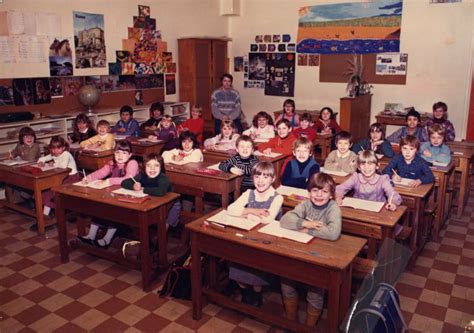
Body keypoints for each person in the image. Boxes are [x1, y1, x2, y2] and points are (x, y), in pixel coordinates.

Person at [279, 173, 341, 326]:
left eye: (324, 192)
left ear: (331, 195)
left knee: (315, 291)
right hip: (300, 250)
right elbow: (285, 221)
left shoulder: (333, 208)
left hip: (321, 255)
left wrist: (307, 230)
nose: (319, 195)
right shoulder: (306, 204)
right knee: (287, 283)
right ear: (309, 192)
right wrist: (308, 224)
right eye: (315, 191)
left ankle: (309, 326)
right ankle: (290, 320)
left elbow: (333, 233)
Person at [226, 162, 283, 307]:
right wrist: (253, 211)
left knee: (257, 262)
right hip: (247, 234)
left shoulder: (277, 197)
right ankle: (244, 290)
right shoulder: (249, 193)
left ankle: (257, 292)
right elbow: (230, 209)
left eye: (266, 177)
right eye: (257, 176)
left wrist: (244, 213)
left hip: (265, 239)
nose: (260, 180)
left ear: (273, 178)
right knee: (237, 255)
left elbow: (267, 220)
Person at [77, 141, 139, 248]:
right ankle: (91, 235)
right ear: (114, 153)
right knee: (99, 206)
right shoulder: (112, 163)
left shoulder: (132, 163)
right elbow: (101, 173)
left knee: (114, 211)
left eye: (124, 153)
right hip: (115, 193)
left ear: (130, 155)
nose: (120, 156)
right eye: (117, 152)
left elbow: (127, 179)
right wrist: (89, 178)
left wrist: (109, 181)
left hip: (129, 196)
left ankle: (107, 239)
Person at [121, 154, 180, 229]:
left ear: (161, 167)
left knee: (162, 226)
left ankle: (160, 236)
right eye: (149, 165)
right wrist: (133, 186)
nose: (152, 169)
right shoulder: (142, 175)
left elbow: (160, 191)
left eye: (156, 165)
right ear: (144, 167)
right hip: (152, 202)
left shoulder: (163, 178)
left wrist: (143, 189)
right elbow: (124, 183)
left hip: (171, 205)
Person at [335, 150, 402, 211]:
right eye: (363, 164)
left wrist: (393, 203)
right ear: (358, 167)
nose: (366, 167)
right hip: (358, 211)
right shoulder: (355, 177)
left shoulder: (383, 180)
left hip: (377, 213)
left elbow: (392, 194)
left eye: (370, 163)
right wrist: (338, 197)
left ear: (377, 166)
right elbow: (340, 188)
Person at [37, 136, 79, 222]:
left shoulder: (66, 154)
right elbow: (43, 158)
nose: (55, 151)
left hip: (71, 178)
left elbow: (63, 166)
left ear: (63, 147)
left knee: (51, 192)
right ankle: (46, 214)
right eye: (53, 148)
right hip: (61, 177)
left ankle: (46, 215)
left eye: (58, 148)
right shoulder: (54, 154)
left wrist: (52, 165)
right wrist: (41, 162)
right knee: (46, 192)